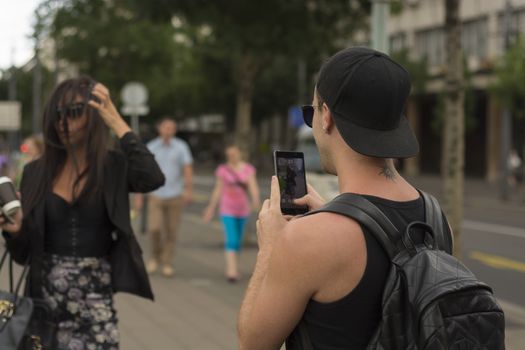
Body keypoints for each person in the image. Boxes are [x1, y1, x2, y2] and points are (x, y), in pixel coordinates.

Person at [238, 47, 444, 349]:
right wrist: (340, 214)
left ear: (326, 117)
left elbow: (252, 343)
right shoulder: (435, 216)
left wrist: (270, 249)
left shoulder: (306, 240)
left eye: (311, 112)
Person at [0, 76, 165, 349]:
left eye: (75, 112)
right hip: (43, 307)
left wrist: (115, 119)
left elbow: (152, 178)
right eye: (58, 114)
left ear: (93, 115)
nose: (65, 122)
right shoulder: (35, 172)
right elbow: (23, 254)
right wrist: (15, 231)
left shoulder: (112, 167)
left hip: (95, 304)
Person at [142, 117, 193, 277]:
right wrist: (139, 193)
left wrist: (188, 189)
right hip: (156, 194)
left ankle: (167, 261)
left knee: (171, 230)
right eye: (166, 127)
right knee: (154, 228)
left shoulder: (181, 147)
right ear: (159, 129)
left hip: (175, 194)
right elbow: (144, 170)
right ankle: (155, 257)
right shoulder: (151, 146)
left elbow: (187, 168)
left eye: (172, 128)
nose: (168, 130)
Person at [202, 144, 260, 282]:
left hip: (242, 209)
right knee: (232, 239)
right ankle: (231, 271)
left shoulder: (248, 169)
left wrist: (256, 201)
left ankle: (234, 266)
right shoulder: (223, 170)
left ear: (240, 154)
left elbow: (253, 186)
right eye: (229, 155)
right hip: (227, 208)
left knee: (237, 241)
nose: (232, 156)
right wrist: (211, 208)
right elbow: (218, 189)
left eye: (234, 154)